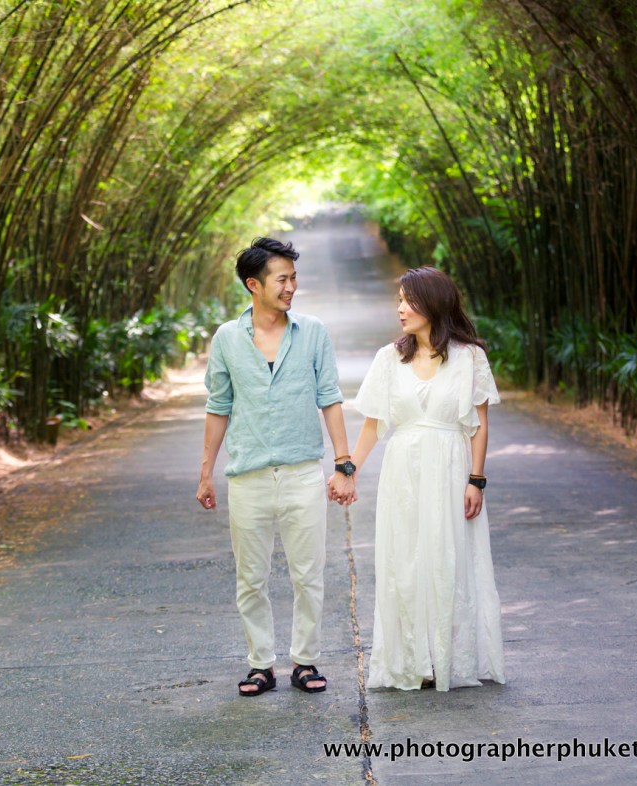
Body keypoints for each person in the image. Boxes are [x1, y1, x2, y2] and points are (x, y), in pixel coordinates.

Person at [328, 266, 506, 691]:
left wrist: (475, 480)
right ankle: (414, 660)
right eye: (399, 300)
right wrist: (348, 470)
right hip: (403, 475)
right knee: (406, 564)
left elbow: (478, 426)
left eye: (408, 300)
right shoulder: (390, 358)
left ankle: (450, 658)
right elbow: (373, 427)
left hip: (449, 471)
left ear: (433, 303)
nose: (400, 308)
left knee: (448, 560)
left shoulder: (470, 358)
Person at [196, 237, 353, 697]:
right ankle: (260, 665)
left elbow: (330, 397)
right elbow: (218, 406)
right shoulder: (227, 338)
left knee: (309, 574)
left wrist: (344, 463)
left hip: (303, 470)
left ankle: (305, 661)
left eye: (293, 277)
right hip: (248, 476)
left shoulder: (313, 332)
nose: (291, 287)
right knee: (251, 578)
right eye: (282, 279)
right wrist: (206, 472)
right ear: (254, 285)